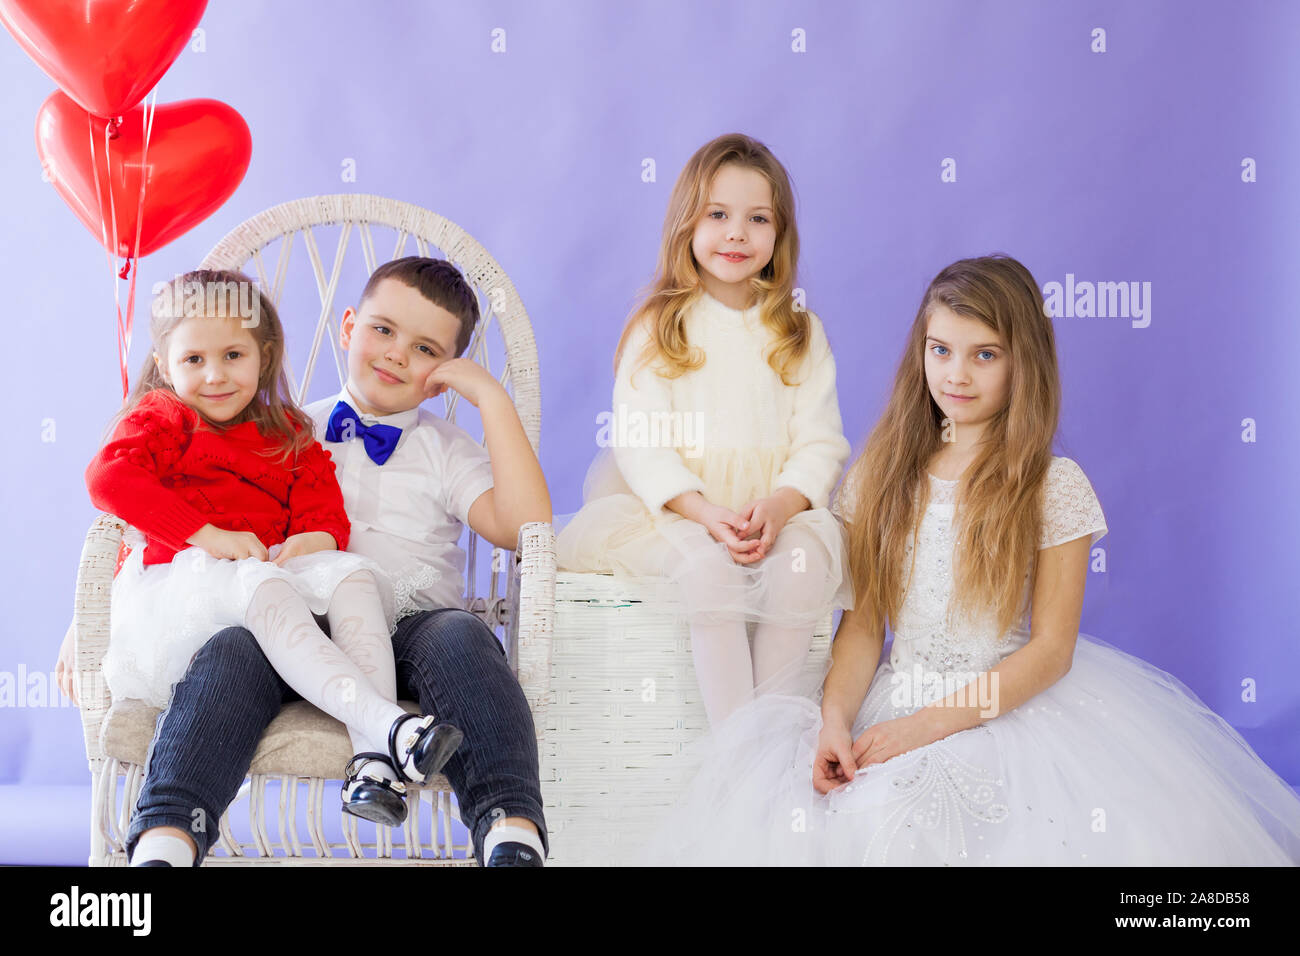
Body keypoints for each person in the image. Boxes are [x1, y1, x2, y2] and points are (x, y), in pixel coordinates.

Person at [641, 254, 1300, 865]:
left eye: (985, 355)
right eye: (941, 350)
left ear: (1023, 364)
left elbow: (1050, 652)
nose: (956, 373)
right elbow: (865, 629)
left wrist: (925, 727)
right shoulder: (880, 476)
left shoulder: (1053, 486)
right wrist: (835, 719)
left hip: (1007, 704)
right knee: (854, 823)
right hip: (895, 700)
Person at [61, 257, 552, 866]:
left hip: (413, 631)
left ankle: (510, 830)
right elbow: (155, 522)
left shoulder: (447, 449)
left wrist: (488, 396)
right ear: (348, 326)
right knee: (229, 651)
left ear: (445, 371)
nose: (397, 354)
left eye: (425, 348)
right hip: (290, 626)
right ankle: (168, 837)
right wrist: (92, 620)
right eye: (383, 330)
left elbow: (523, 526)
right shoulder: (281, 427)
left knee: (464, 636)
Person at [556, 133, 853, 727]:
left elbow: (821, 441)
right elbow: (641, 443)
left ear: (780, 233)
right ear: (686, 224)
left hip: (776, 508)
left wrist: (780, 503)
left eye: (757, 218)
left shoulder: (800, 331)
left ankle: (770, 738)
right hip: (677, 510)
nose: (737, 233)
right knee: (709, 573)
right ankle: (736, 750)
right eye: (717, 214)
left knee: (805, 569)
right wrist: (704, 512)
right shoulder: (660, 326)